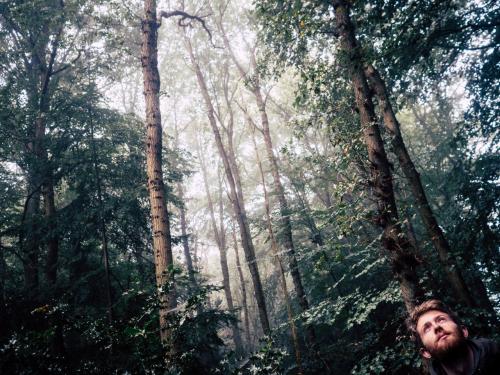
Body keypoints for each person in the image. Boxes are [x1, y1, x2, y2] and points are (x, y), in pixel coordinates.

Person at [408, 299, 499, 374]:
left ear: (464, 331)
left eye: (441, 320)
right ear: (426, 352)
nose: (436, 327)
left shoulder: (494, 353)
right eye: (427, 328)